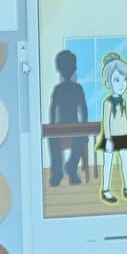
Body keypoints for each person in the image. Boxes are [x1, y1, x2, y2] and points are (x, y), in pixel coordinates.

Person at [98, 51, 127, 204]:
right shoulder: (108, 102)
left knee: (125, 162)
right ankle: (106, 189)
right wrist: (108, 139)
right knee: (108, 163)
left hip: (124, 135)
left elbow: (124, 120)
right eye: (116, 80)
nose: (121, 84)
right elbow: (106, 122)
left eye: (124, 79)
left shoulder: (123, 101)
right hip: (111, 137)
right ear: (108, 82)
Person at [47, 49, 89, 187]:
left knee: (79, 139)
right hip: (63, 127)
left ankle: (70, 167)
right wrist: (53, 127)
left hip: (72, 127)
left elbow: (53, 109)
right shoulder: (66, 89)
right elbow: (83, 109)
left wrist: (84, 127)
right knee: (54, 140)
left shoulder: (71, 88)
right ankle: (58, 171)